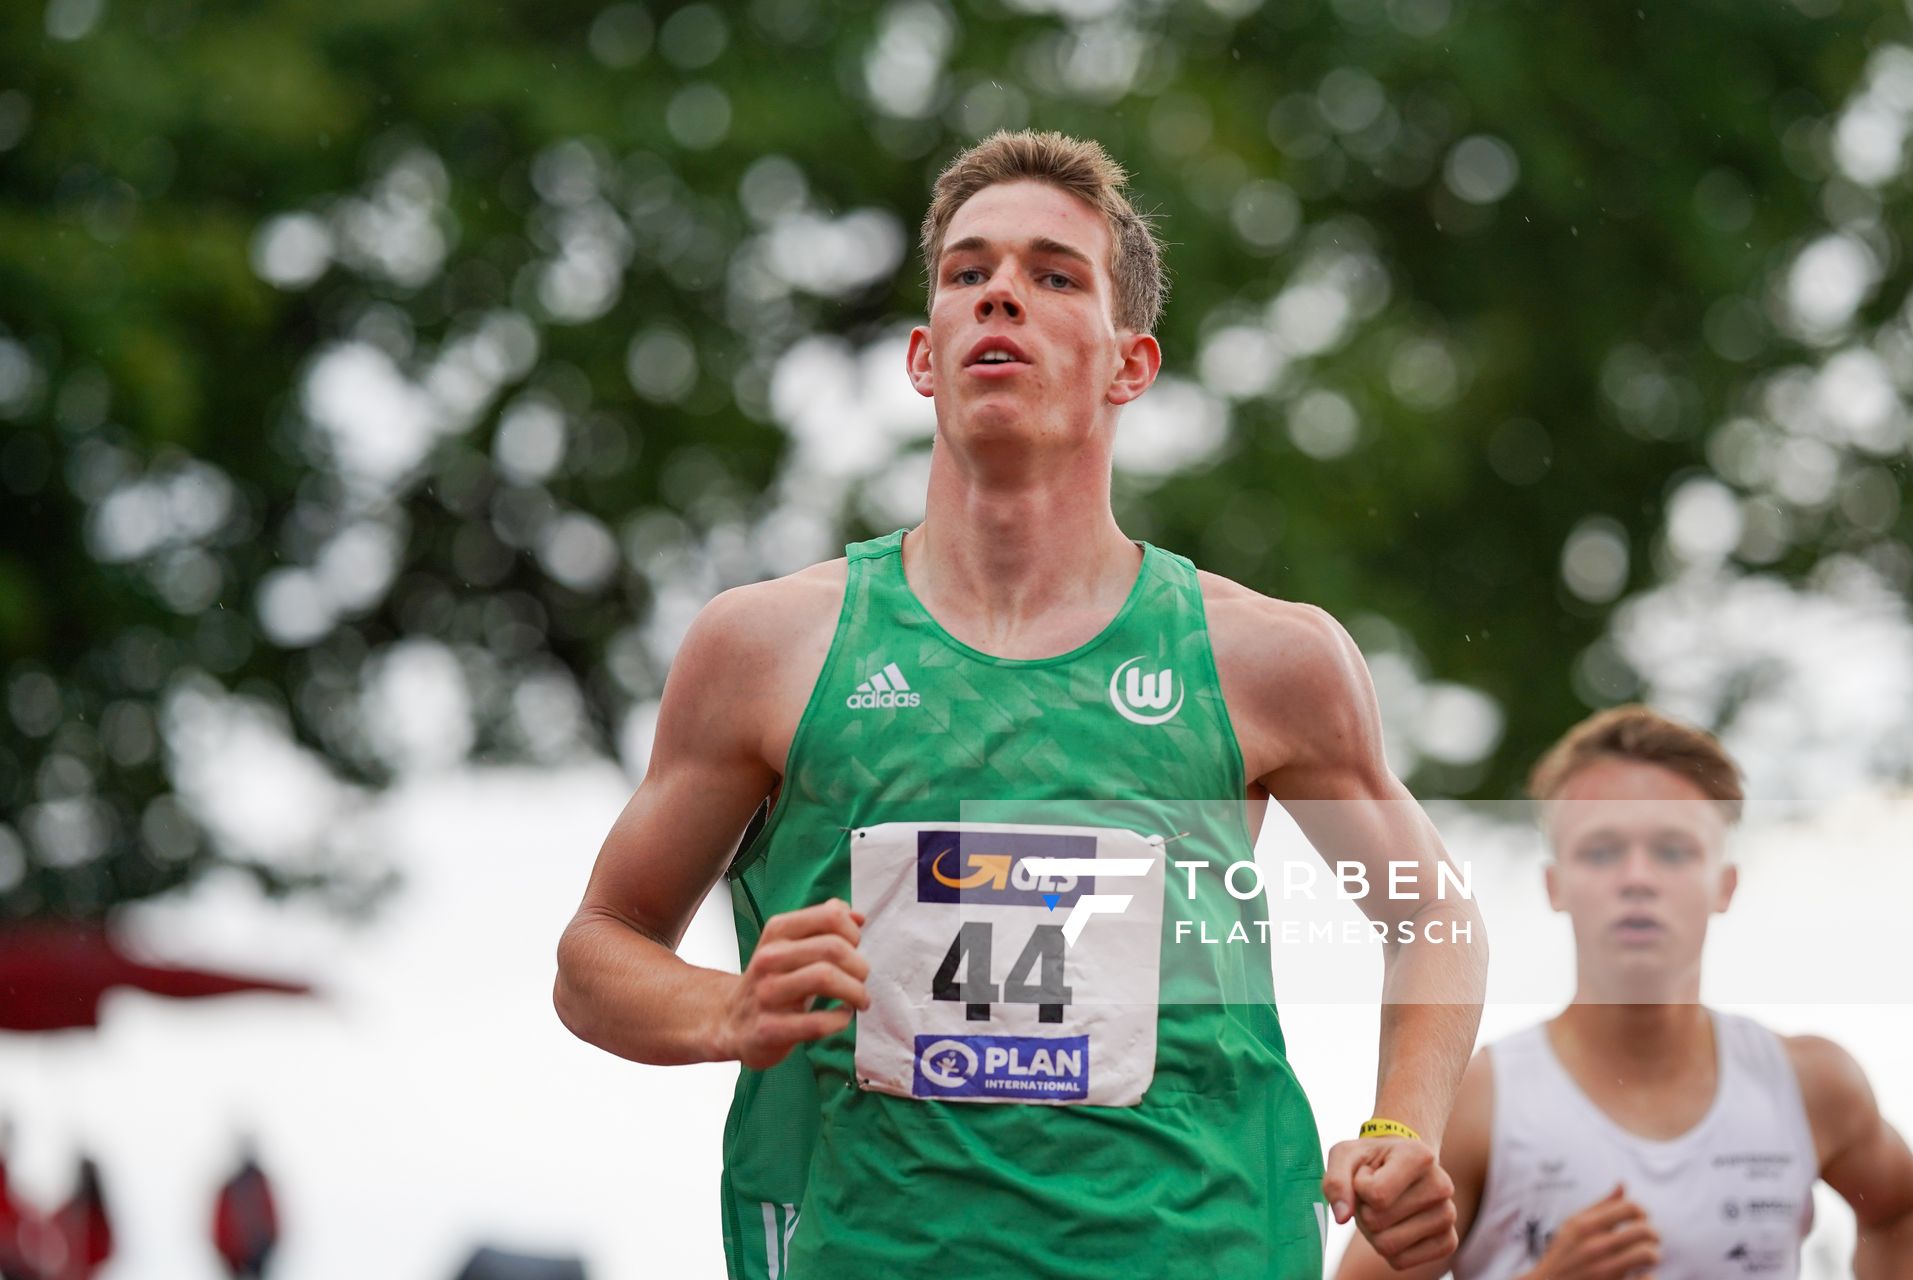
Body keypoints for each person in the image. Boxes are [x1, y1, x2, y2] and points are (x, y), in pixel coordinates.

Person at [555, 129, 1486, 1279]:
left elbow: (1432, 916)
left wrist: (1403, 1131)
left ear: (1128, 364)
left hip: (1205, 1247)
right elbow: (597, 952)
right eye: (969, 273)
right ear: (923, 354)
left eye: (1055, 276)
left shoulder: (1265, 658)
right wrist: (724, 1008)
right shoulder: (767, 646)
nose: (1003, 294)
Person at [1336, 705, 1913, 1279]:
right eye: (1601, 851)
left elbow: (1901, 1214)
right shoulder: (1478, 1104)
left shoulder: (1813, 1084)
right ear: (1555, 884)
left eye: (1672, 850)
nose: (1636, 878)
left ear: (1725, 884)